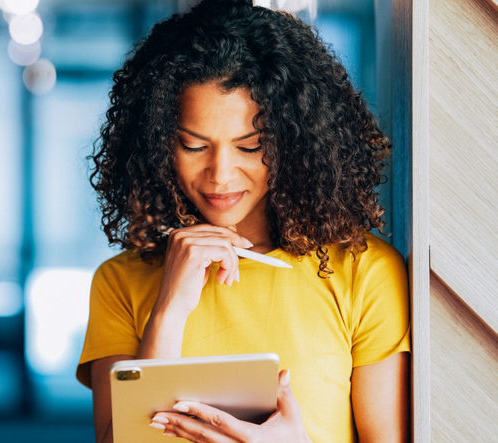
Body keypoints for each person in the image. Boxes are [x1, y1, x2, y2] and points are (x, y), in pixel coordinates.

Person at [76, 0, 410, 442]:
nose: (220, 174)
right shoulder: (121, 283)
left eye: (250, 146)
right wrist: (169, 309)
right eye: (194, 146)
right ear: (157, 146)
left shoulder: (363, 272)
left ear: (294, 141)